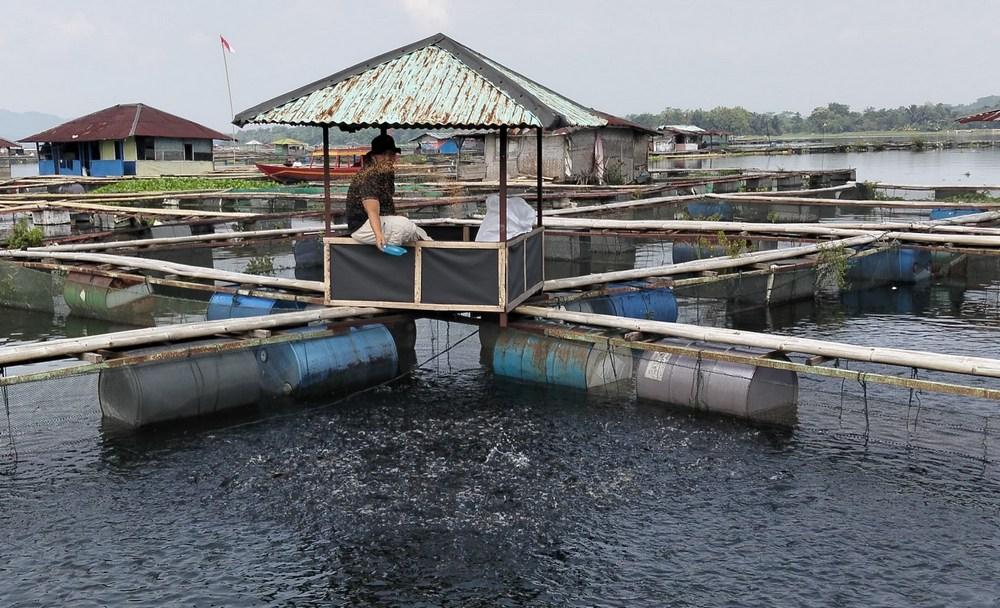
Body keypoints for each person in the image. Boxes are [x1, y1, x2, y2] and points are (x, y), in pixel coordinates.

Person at [346, 133, 430, 249]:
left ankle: (430, 247)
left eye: (391, 154)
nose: (387, 158)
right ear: (374, 156)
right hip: (363, 226)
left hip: (379, 220)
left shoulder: (387, 172)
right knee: (405, 226)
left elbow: (387, 203)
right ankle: (387, 246)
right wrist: (378, 234)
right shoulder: (369, 175)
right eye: (383, 155)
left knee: (418, 231)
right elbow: (372, 210)